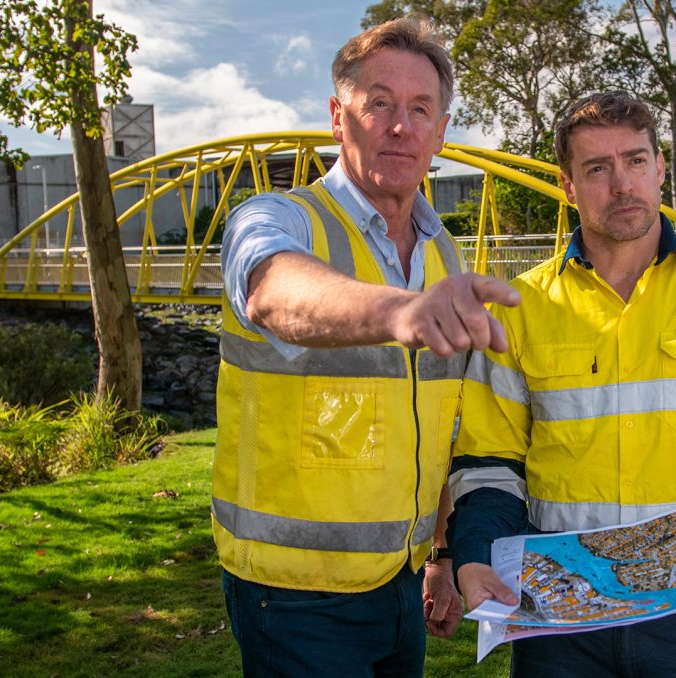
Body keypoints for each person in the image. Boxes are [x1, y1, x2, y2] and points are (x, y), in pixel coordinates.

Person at [448, 91, 676, 677]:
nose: (622, 184)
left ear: (660, 169)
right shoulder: (520, 307)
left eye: (636, 161)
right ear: (569, 186)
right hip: (559, 621)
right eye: (597, 168)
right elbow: (488, 463)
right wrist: (473, 556)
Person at [212, 17, 520, 676]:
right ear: (337, 116)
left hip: (400, 584)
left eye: (419, 110)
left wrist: (440, 552)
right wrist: (402, 312)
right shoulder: (277, 218)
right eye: (378, 103)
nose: (400, 126)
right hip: (294, 597)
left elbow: (439, 421)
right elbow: (271, 290)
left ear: (440, 133)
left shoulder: (442, 251)